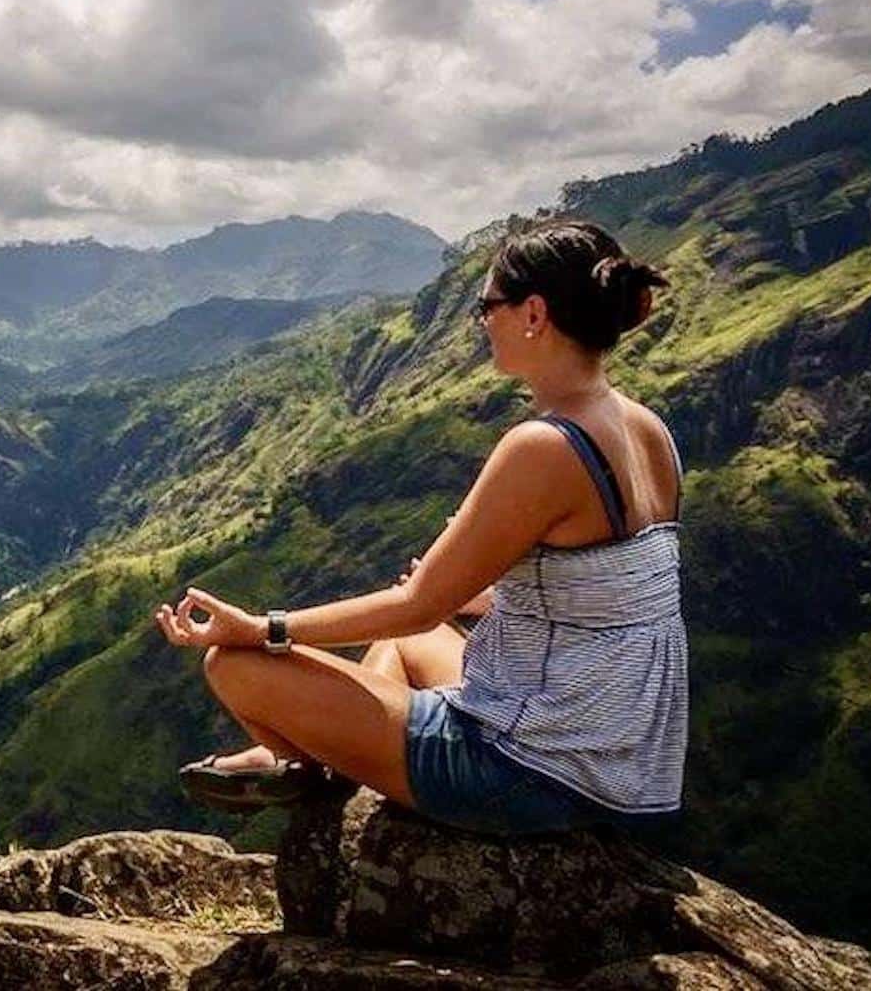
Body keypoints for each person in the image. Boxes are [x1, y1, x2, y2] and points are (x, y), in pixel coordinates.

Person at [153, 220, 683, 836]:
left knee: (233, 665)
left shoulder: (543, 446)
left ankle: (306, 759)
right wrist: (496, 595)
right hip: (629, 771)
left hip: (533, 774)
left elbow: (415, 603)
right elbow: (620, 592)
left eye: (488, 305)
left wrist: (261, 628)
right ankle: (316, 757)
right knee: (410, 645)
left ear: (533, 313)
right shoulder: (649, 430)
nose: (483, 321)